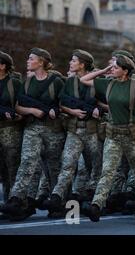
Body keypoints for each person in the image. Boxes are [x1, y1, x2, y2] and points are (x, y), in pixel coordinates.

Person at [80, 55, 135, 225]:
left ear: (125, 70)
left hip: (132, 135)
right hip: (113, 135)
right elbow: (84, 79)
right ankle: (96, 205)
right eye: (112, 67)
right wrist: (104, 70)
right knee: (107, 171)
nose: (113, 69)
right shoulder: (109, 83)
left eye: (115, 67)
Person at [2, 48, 66, 221]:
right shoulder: (28, 82)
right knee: (27, 160)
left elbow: (65, 103)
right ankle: (16, 198)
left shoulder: (57, 81)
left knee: (53, 166)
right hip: (33, 127)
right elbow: (18, 105)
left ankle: (58, 202)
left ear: (42, 61)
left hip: (53, 129)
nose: (28, 61)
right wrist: (33, 110)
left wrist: (55, 110)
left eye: (31, 59)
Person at [43, 50, 102, 216]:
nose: (70, 62)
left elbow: (106, 102)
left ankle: (93, 200)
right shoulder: (70, 82)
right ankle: (57, 196)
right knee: (68, 164)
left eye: (74, 60)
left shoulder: (96, 80)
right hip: (74, 129)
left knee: (95, 166)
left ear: (82, 64)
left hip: (93, 130)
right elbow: (61, 103)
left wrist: (98, 109)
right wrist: (73, 111)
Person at [0, 51, 23, 203]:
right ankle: (7, 201)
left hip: (10, 129)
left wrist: (16, 113)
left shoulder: (14, 83)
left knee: (12, 166)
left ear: (2, 66)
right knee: (2, 169)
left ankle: (16, 202)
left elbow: (22, 104)